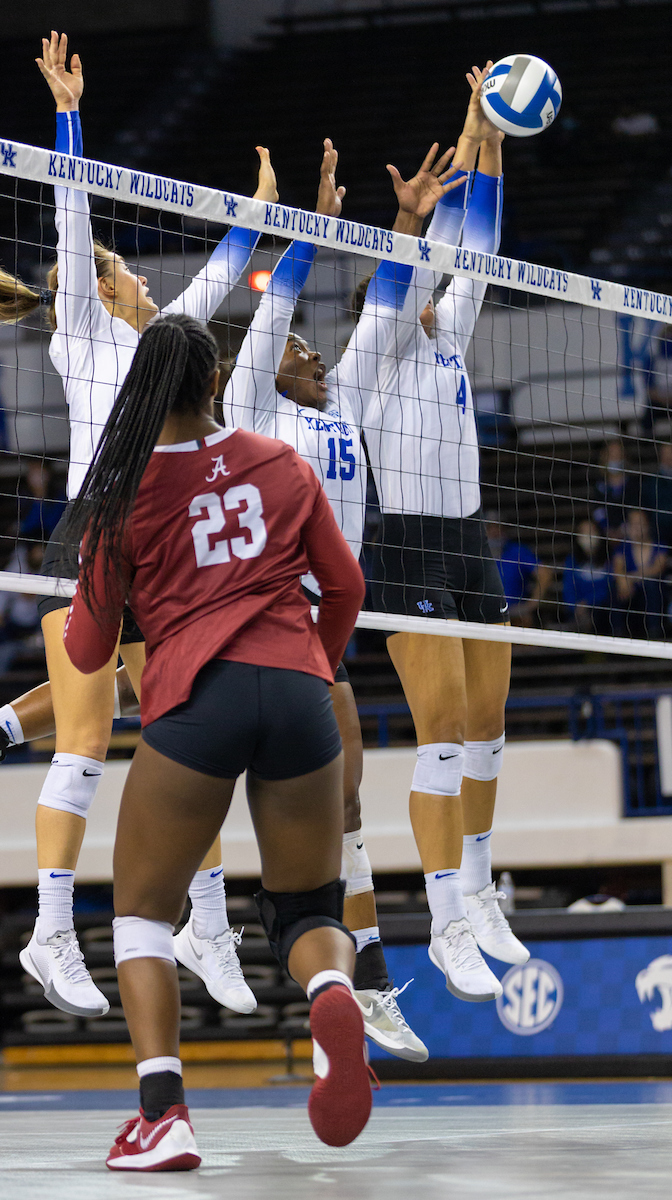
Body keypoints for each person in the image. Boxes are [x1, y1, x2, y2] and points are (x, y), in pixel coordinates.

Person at [0, 30, 273, 1019]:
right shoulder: (84, 330)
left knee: (192, 734)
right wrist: (67, 112)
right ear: (106, 284)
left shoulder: (162, 348)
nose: (150, 283)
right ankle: (50, 933)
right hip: (97, 535)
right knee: (87, 742)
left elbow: (214, 287)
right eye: (131, 277)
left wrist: (262, 218)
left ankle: (205, 921)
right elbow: (73, 217)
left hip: (161, 550)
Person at [63, 313, 369, 1168]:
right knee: (306, 907)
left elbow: (88, 651)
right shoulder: (283, 463)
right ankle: (335, 987)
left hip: (198, 693)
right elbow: (345, 586)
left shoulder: (119, 493)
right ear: (213, 383)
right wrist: (315, 662)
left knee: (142, 915)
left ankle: (162, 1117)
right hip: (301, 686)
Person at [222, 138, 463, 1061]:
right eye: (296, 348)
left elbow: (389, 311)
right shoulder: (255, 409)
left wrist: (406, 223)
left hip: (324, 639)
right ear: (263, 363)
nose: (314, 352)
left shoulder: (342, 404)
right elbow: (274, 302)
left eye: (315, 347)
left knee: (350, 807)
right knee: (308, 812)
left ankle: (353, 995)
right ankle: (231, 935)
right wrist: (313, 228)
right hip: (264, 627)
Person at [362, 63, 529, 1002]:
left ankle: (477, 882)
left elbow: (483, 237)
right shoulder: (379, 351)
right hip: (411, 546)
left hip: (470, 541)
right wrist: (410, 222)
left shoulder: (447, 335)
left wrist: (489, 127)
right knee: (444, 731)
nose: (432, 294)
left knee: (490, 724)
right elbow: (420, 258)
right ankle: (443, 918)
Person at [0, 543, 46, 674]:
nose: (39, 556)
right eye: (37, 553)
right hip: (14, 625)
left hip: (38, 622)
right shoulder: (17, 567)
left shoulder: (49, 568)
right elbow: (0, 594)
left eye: (42, 553)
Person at [485, 516, 554, 628]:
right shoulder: (478, 554)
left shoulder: (517, 552)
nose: (494, 532)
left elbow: (544, 573)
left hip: (514, 613)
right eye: (490, 528)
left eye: (498, 528)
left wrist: (532, 604)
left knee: (525, 620)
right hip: (484, 614)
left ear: (504, 530)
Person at [612, 508, 667, 638]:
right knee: (615, 589)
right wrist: (623, 582)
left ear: (648, 525)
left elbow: (657, 569)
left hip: (654, 594)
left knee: (652, 585)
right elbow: (618, 569)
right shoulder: (622, 548)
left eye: (641, 523)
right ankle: (618, 634)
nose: (637, 528)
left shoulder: (660, 546)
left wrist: (629, 578)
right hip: (631, 595)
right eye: (634, 523)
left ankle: (655, 633)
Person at [562, 518, 614, 635]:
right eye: (583, 532)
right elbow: (568, 588)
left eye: (591, 531)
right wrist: (575, 606)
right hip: (577, 611)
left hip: (602, 610)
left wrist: (588, 603)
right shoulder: (572, 560)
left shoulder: (609, 559)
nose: (588, 536)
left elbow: (610, 589)